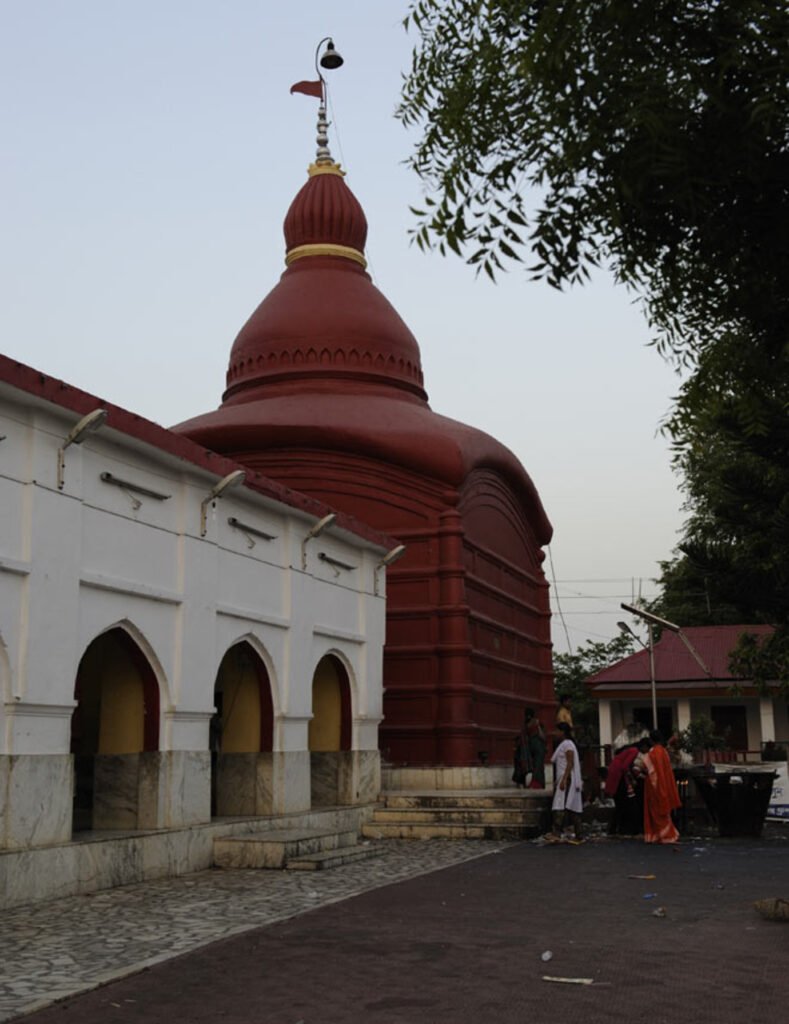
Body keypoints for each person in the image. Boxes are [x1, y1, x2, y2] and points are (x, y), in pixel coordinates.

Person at [605, 738, 651, 836]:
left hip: (617, 775)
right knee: (624, 803)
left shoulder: (630, 750)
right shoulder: (634, 751)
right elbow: (625, 767)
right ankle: (620, 829)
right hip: (619, 777)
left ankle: (615, 829)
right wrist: (632, 779)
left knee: (620, 804)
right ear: (644, 746)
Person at [643, 729, 682, 844]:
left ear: (651, 740)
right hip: (664, 783)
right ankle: (665, 835)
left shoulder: (653, 753)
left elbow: (649, 769)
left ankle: (661, 835)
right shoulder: (663, 752)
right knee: (663, 811)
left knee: (655, 811)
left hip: (653, 786)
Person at [549, 721, 583, 840]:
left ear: (562, 732)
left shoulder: (567, 744)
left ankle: (557, 832)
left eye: (557, 731)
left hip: (567, 779)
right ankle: (578, 833)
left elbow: (570, 763)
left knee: (561, 805)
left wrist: (563, 779)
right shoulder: (565, 744)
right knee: (569, 806)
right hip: (564, 778)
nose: (555, 733)